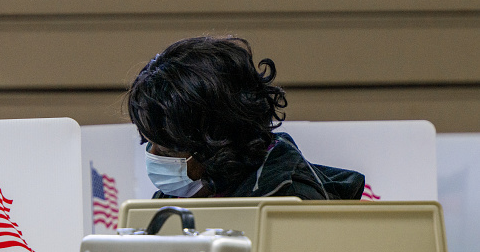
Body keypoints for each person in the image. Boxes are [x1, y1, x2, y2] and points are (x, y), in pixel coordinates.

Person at [127, 35, 365, 199]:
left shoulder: (292, 200)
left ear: (217, 146)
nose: (152, 156)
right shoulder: (169, 202)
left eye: (168, 151)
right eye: (149, 143)